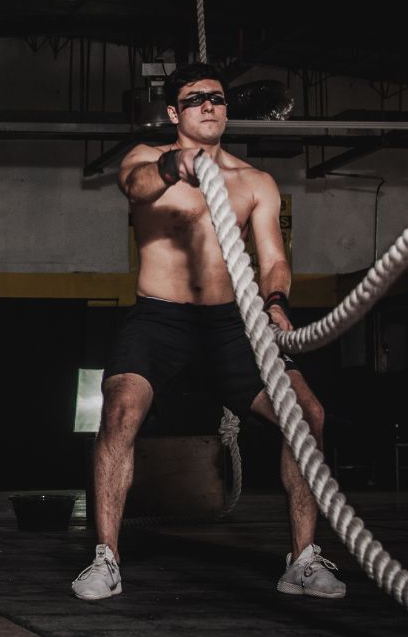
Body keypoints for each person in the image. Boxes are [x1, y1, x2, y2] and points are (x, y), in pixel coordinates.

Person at [71, 62, 345, 602]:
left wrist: (275, 303)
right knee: (121, 407)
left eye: (216, 98)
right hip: (159, 318)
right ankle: (106, 557)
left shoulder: (255, 182)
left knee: (307, 415)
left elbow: (272, 260)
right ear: (175, 113)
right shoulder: (148, 161)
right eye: (195, 99)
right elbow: (136, 185)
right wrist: (180, 165)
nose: (210, 106)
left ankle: (303, 560)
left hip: (230, 325)